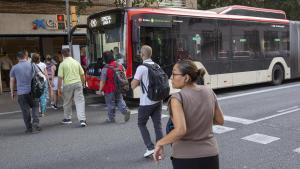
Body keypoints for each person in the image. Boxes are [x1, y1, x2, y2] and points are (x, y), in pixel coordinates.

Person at [153, 60, 224, 169]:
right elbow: (220, 120)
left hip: (186, 158)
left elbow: (180, 130)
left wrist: (160, 143)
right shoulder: (209, 91)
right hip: (211, 154)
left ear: (186, 77)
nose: (171, 77)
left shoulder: (177, 98)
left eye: (174, 74)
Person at [131, 45, 163, 158]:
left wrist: (135, 82)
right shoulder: (156, 65)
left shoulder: (141, 68)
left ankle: (150, 147)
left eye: (140, 53)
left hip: (146, 102)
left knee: (141, 124)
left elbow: (133, 85)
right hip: (158, 100)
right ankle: (159, 150)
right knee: (157, 125)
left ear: (143, 55)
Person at [10, 51, 41, 133]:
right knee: (35, 108)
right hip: (33, 91)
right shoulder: (32, 65)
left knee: (25, 111)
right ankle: (35, 126)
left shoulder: (14, 67)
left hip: (21, 93)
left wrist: (12, 92)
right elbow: (39, 75)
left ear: (17, 58)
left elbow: (12, 81)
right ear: (26, 56)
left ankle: (29, 128)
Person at [98, 51, 130, 123]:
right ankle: (125, 111)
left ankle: (111, 118)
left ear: (105, 59)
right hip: (119, 87)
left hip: (109, 89)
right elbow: (124, 75)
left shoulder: (105, 68)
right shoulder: (120, 65)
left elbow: (102, 81)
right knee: (119, 100)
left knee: (110, 103)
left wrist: (100, 90)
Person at [58, 48, 87, 127]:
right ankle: (82, 120)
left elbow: (60, 77)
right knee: (80, 102)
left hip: (67, 85)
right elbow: (82, 74)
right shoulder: (76, 62)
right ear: (70, 53)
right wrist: (83, 83)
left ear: (62, 54)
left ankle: (67, 119)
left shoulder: (62, 64)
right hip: (78, 83)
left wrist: (59, 88)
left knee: (67, 102)